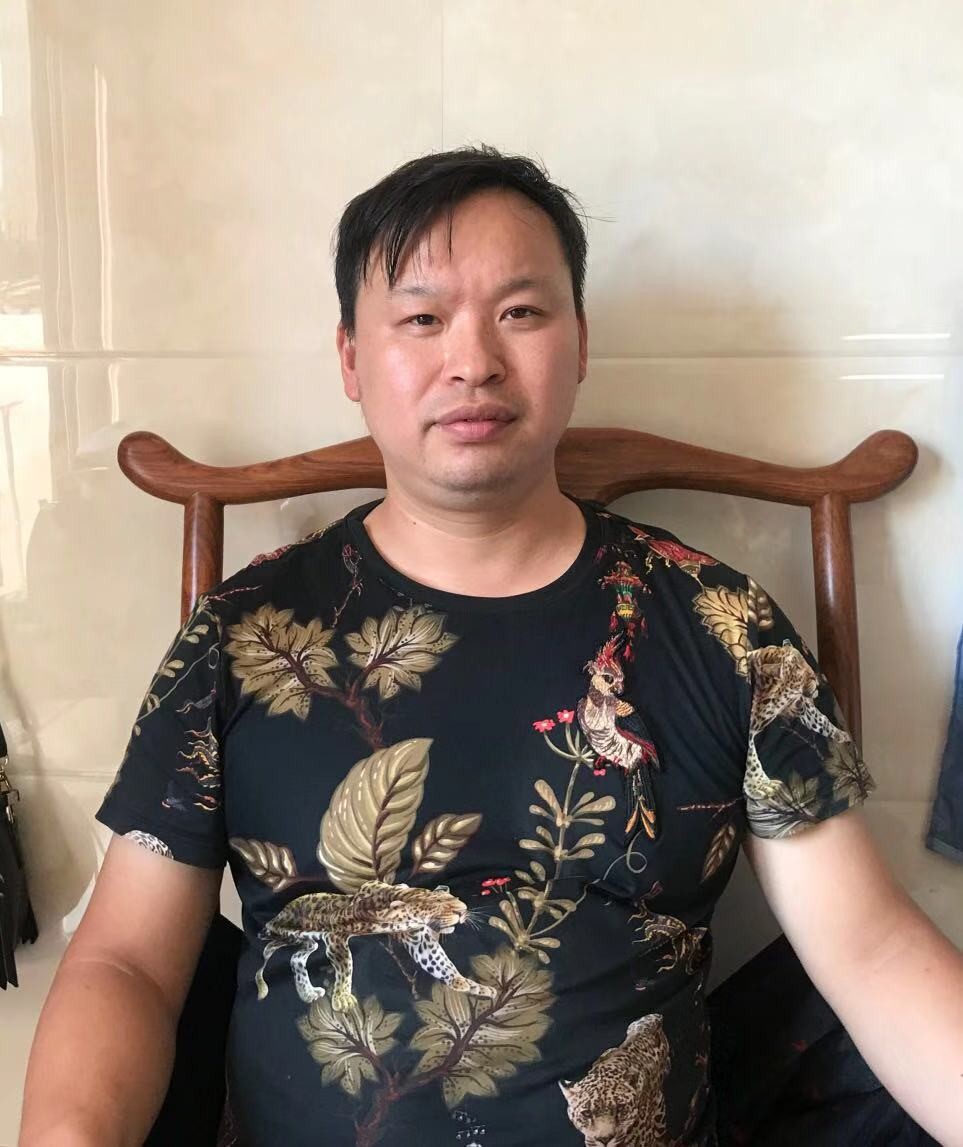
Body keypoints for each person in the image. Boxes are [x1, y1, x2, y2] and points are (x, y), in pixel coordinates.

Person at [19, 146, 963, 1147]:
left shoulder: (720, 625)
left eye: (520, 311)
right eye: (422, 319)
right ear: (351, 359)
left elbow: (869, 949)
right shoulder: (246, 631)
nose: (472, 361)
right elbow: (125, 963)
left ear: (579, 343)